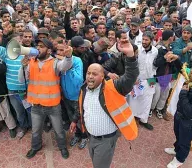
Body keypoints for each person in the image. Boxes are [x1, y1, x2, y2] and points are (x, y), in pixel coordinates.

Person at [71, 38, 139, 168]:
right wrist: (75, 120)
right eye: (88, 73)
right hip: (91, 137)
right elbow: (80, 107)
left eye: (95, 74)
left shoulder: (113, 87)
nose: (90, 76)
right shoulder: (84, 88)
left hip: (106, 141)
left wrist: (130, 55)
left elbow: (130, 76)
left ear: (102, 76)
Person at [18, 38, 73, 159]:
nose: (38, 48)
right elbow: (21, 80)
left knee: (58, 130)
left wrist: (68, 57)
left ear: (48, 50)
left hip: (53, 106)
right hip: (36, 106)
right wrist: (22, 66)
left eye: (41, 46)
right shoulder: (31, 62)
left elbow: (65, 66)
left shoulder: (55, 62)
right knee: (36, 130)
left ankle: (62, 147)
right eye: (37, 46)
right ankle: (35, 147)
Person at [0, 29, 32, 138]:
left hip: (27, 89)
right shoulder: (6, 53)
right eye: (14, 42)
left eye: (19, 41)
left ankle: (33, 128)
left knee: (30, 111)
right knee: (19, 111)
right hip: (12, 90)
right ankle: (23, 127)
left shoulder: (28, 53)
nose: (17, 44)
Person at [55, 41, 87, 149]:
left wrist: (69, 68)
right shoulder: (57, 62)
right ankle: (77, 135)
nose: (60, 52)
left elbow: (79, 80)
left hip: (77, 97)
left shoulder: (77, 61)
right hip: (66, 97)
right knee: (71, 117)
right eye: (58, 50)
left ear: (68, 49)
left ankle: (84, 137)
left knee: (80, 119)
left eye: (62, 49)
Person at [126, 31, 158, 130]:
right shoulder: (137, 50)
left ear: (151, 41)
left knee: (148, 99)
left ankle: (144, 120)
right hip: (137, 78)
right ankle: (132, 118)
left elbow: (155, 64)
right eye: (143, 39)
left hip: (151, 78)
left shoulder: (155, 51)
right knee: (134, 99)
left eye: (146, 40)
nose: (144, 41)